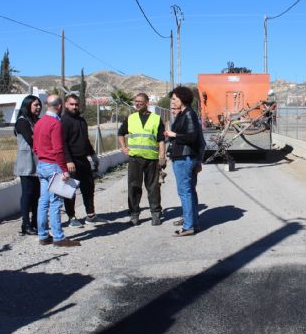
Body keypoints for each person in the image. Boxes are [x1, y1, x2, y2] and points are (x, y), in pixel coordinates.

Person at [33, 94, 81, 247]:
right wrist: (63, 169)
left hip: (41, 164)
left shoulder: (39, 122)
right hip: (53, 165)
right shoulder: (55, 123)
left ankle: (43, 235)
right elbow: (58, 149)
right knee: (55, 202)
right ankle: (59, 238)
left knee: (43, 201)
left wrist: (42, 156)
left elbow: (34, 147)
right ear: (60, 106)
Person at [117, 93, 166, 226]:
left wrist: (162, 156)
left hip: (152, 159)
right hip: (135, 159)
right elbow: (120, 134)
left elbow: (161, 139)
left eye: (140, 101)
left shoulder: (156, 119)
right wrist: (123, 148)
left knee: (153, 187)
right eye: (136, 101)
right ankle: (134, 215)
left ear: (147, 103)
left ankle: (155, 214)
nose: (137, 103)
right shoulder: (131, 118)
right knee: (134, 187)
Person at [61, 94, 106, 227]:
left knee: (89, 187)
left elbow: (85, 140)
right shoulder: (64, 121)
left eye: (76, 104)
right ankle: (71, 217)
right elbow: (63, 143)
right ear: (66, 105)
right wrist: (68, 161)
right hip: (71, 161)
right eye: (72, 104)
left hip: (83, 160)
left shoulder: (81, 120)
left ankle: (91, 215)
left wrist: (93, 155)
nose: (74, 107)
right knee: (70, 190)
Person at [165, 86, 202, 236]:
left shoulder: (188, 114)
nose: (172, 102)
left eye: (174, 99)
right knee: (189, 191)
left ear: (182, 99)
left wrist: (173, 134)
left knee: (184, 191)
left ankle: (188, 226)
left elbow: (193, 137)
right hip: (184, 157)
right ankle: (193, 222)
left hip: (184, 158)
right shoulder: (184, 114)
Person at [13, 95, 42, 236]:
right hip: (26, 163)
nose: (38, 107)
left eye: (39, 105)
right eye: (35, 105)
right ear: (28, 105)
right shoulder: (22, 122)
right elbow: (32, 140)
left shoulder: (38, 121)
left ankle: (36, 221)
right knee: (27, 193)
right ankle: (25, 224)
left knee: (37, 194)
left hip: (38, 162)